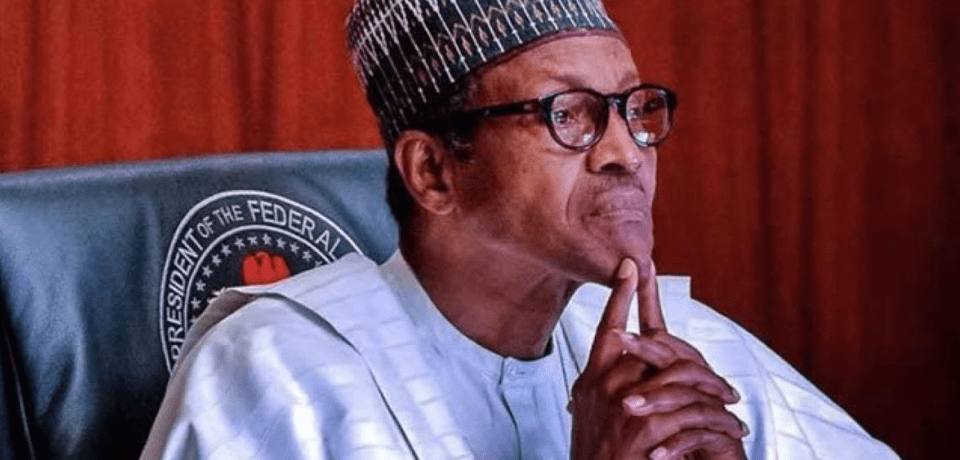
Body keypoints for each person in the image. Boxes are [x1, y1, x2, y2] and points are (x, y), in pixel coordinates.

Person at [141, 0, 899, 458]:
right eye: (568, 115)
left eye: (636, 109)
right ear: (434, 172)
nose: (626, 152)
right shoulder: (278, 377)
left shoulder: (685, 353)